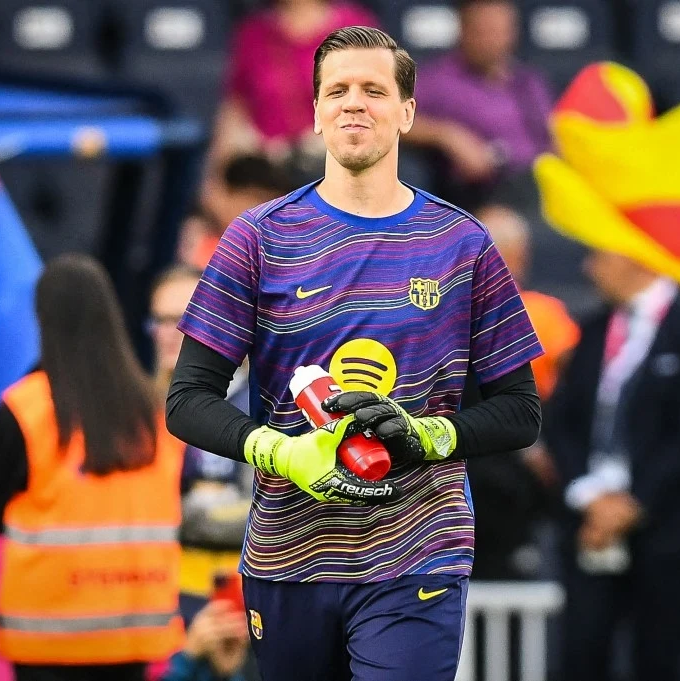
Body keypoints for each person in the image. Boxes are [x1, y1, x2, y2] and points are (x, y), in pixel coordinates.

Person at [165, 25, 543, 681]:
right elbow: (187, 399)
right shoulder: (256, 237)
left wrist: (426, 436)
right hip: (289, 556)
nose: (353, 103)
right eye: (337, 90)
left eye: (373, 89)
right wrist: (280, 451)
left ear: (408, 113)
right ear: (315, 112)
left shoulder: (463, 243)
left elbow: (520, 410)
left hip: (417, 553)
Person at [0, 254, 185, 681]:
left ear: (43, 321)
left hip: (49, 636)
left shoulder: (26, 408)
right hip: (133, 631)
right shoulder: (154, 411)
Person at [546, 250, 680, 681]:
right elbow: (560, 424)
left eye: (601, 255)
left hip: (664, 526)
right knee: (581, 657)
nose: (588, 267)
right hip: (588, 524)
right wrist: (589, 496)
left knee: (659, 659)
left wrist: (632, 504)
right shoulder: (592, 330)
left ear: (638, 259)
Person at [464, 214, 580, 578]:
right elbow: (576, 386)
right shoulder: (540, 313)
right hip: (505, 463)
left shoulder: (539, 313)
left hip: (478, 465)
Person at [201, 0, 379, 219]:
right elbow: (235, 111)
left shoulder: (355, 28)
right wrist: (215, 182)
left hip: (331, 165)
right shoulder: (253, 33)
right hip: (266, 170)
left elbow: (373, 104)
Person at [149, 266, 253, 623]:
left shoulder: (256, 402)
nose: (169, 334)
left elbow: (264, 510)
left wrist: (173, 512)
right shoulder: (142, 406)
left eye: (182, 320)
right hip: (156, 601)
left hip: (233, 605)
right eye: (160, 321)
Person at [405, 0, 554, 229]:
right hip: (486, 190)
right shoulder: (438, 80)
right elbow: (392, 119)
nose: (492, 40)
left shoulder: (529, 81)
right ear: (463, 29)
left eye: (500, 31)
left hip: (541, 183)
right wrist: (446, 135)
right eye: (484, 30)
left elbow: (553, 136)